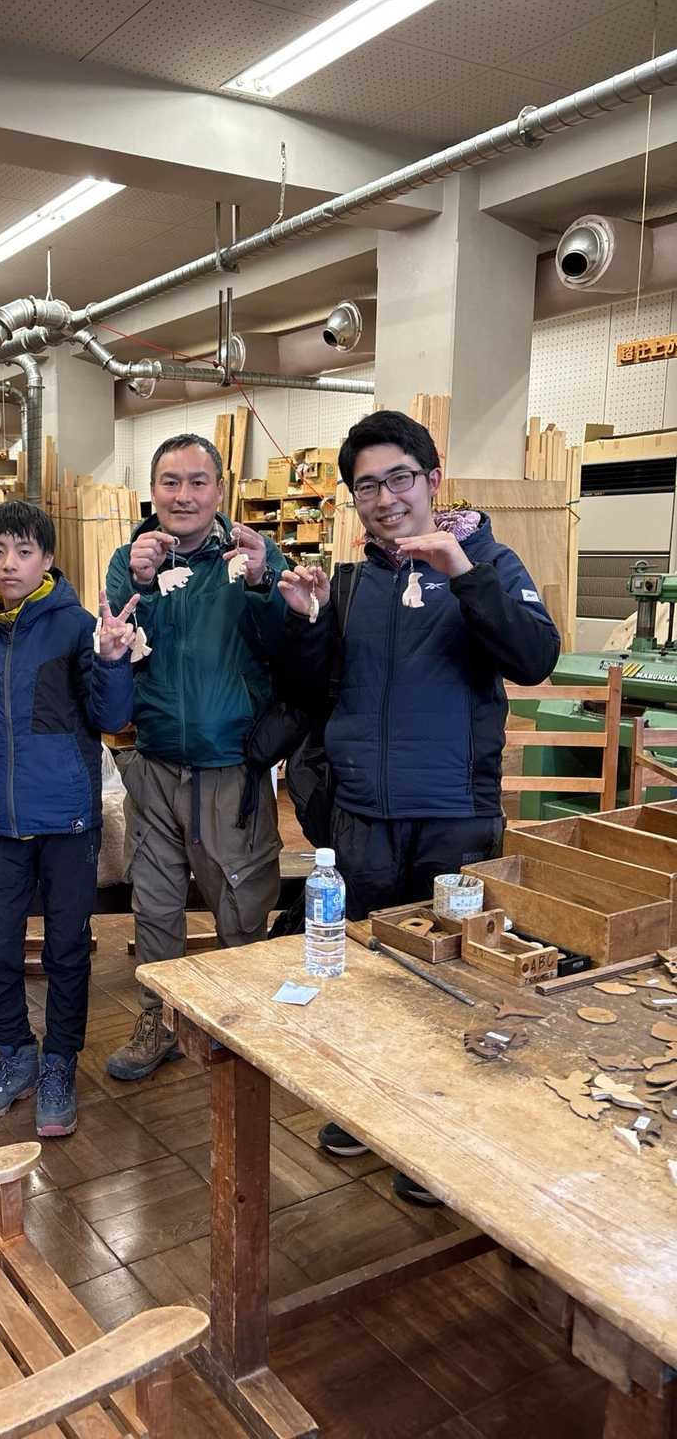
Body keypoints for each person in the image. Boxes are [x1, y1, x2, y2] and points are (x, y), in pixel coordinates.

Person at [278, 410, 560, 1191]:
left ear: (433, 479)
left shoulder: (489, 561)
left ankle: (438, 1139)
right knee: (372, 971)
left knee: (453, 979)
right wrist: (306, 625)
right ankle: (370, 1109)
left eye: (399, 478)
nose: (385, 498)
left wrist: (462, 570)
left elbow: (535, 657)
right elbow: (310, 690)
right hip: (364, 815)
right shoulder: (351, 582)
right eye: (366, 486)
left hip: (453, 819)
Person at [103, 433, 289, 1081]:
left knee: (241, 901)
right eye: (170, 482)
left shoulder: (250, 557)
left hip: (230, 765)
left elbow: (289, 642)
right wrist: (142, 583)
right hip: (154, 765)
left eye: (197, 481)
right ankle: (159, 1018)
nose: (183, 496)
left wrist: (263, 580)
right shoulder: (129, 560)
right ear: (152, 491)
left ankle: (243, 1024)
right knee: (153, 903)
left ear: (220, 490)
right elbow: (118, 650)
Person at [0, 501, 136, 1137]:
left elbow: (111, 719)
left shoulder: (77, 626)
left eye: (24, 551)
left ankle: (60, 1060)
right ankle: (15, 1053)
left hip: (68, 823)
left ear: (48, 560)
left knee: (66, 948)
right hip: (0, 824)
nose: (10, 564)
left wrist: (111, 659)